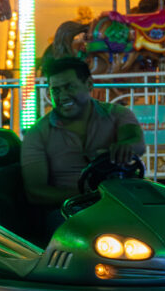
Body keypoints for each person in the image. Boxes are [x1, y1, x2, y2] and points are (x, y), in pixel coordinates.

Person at [22, 57, 145, 232]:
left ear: (88, 84)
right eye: (55, 90)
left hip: (120, 203)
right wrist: (87, 195)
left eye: (69, 87)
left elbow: (135, 139)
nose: (62, 96)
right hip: (70, 211)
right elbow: (36, 192)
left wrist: (125, 145)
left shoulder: (117, 115)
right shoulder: (38, 133)